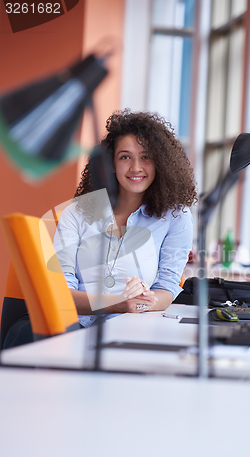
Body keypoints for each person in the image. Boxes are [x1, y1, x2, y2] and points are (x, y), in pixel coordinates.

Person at [54, 110, 197, 328]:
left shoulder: (176, 216)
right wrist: (120, 303)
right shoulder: (77, 213)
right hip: (74, 328)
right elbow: (60, 293)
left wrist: (146, 301)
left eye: (146, 157)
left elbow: (167, 287)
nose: (136, 167)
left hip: (134, 329)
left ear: (161, 163)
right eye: (125, 157)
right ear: (110, 164)